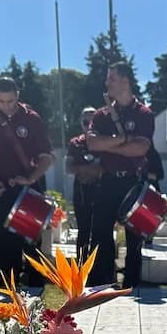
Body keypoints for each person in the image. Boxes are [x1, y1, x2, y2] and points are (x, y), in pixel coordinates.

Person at [0, 77, 54, 285]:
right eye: (1, 102)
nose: (7, 106)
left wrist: (30, 178)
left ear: (17, 95)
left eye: (10, 101)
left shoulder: (32, 119)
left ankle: (36, 292)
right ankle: (3, 291)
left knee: (31, 245)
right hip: (0, 189)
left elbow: (46, 157)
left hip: (28, 189)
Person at [86, 61, 154, 288]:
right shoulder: (102, 115)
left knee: (135, 239)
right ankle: (104, 285)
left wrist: (110, 146)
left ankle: (132, 286)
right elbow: (93, 143)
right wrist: (122, 140)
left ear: (125, 81)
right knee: (101, 235)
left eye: (111, 79)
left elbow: (140, 148)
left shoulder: (143, 113)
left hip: (132, 182)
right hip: (107, 180)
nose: (107, 83)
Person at [66, 107, 101, 259]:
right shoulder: (75, 143)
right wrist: (90, 170)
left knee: (101, 231)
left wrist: (83, 170)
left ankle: (100, 268)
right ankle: (81, 266)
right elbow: (68, 167)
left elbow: (107, 167)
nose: (89, 126)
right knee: (83, 230)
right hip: (81, 192)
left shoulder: (106, 142)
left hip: (101, 192)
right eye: (86, 122)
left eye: (93, 122)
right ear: (81, 123)